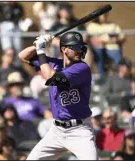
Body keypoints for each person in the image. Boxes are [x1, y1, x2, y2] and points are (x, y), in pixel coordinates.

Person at [18, 31, 98, 160]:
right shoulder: (55, 64)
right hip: (57, 130)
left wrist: (41, 50)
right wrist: (39, 44)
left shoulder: (81, 68)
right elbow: (23, 56)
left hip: (80, 130)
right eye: (75, 47)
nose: (79, 50)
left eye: (81, 47)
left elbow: (51, 77)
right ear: (64, 49)